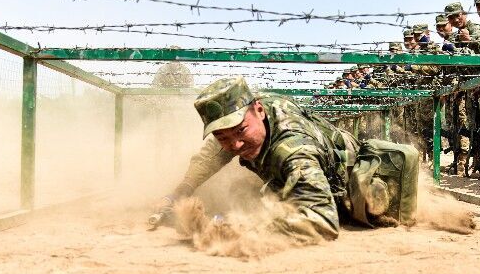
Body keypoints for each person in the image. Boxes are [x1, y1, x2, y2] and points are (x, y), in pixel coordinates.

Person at [154, 77, 416, 241]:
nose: (234, 144)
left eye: (240, 131)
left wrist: (237, 227)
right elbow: (211, 154)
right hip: (306, 172)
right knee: (240, 192)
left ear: (258, 110)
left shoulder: (294, 151)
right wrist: (178, 194)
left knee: (250, 205)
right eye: (224, 137)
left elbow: (323, 223)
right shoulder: (246, 113)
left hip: (343, 188)